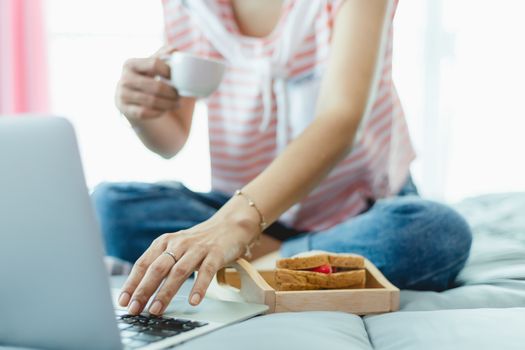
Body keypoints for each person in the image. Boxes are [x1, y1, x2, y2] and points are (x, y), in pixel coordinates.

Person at [92, 0, 472, 316]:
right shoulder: (192, 6)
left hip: (354, 211)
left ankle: (247, 261)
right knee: (110, 206)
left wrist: (235, 229)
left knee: (434, 232)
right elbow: (172, 140)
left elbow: (341, 120)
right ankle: (293, 262)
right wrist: (141, 110)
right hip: (244, 215)